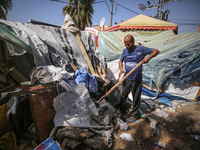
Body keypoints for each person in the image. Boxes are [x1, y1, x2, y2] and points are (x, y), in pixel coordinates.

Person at [119, 35, 159, 123]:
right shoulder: (125, 51)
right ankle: (122, 110)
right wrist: (121, 69)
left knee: (136, 98)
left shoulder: (141, 49)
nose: (126, 46)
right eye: (125, 44)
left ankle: (134, 115)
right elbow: (120, 60)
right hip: (127, 78)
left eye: (128, 44)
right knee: (123, 96)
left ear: (133, 42)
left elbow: (156, 51)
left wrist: (148, 57)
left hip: (137, 79)